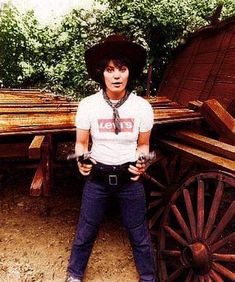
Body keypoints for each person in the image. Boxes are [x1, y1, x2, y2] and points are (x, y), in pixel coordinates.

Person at [66, 34, 157, 282]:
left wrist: (142, 163)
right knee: (86, 231)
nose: (116, 75)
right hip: (97, 179)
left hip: (130, 180)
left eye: (122, 69)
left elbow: (144, 145)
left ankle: (148, 278)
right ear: (101, 74)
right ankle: (74, 275)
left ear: (129, 73)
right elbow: (81, 143)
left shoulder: (142, 108)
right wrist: (81, 159)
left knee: (139, 234)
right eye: (110, 69)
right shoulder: (88, 105)